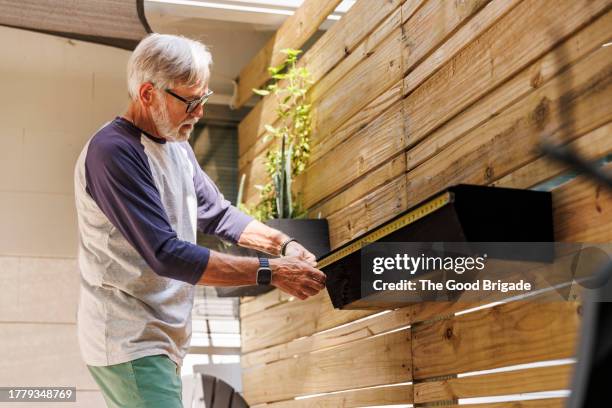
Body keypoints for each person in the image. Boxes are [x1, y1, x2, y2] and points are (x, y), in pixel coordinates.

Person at [73, 33, 326, 408]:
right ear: (147, 94)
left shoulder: (176, 144)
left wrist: (282, 244)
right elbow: (166, 255)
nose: (200, 112)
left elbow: (218, 213)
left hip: (160, 336)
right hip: (129, 336)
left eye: (203, 98)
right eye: (190, 101)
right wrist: (271, 271)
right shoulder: (113, 154)